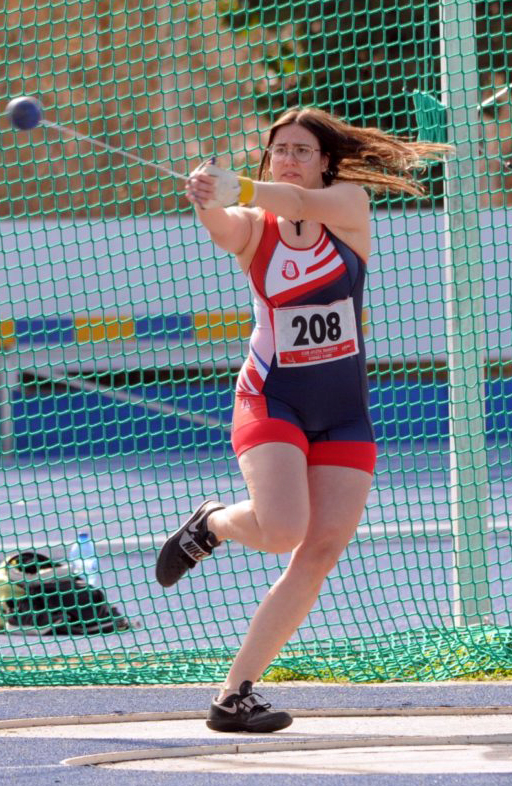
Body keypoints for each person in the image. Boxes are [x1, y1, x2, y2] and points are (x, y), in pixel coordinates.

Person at [155, 106, 449, 733]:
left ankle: (233, 697)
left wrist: (243, 184)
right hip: (271, 399)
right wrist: (207, 198)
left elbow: (292, 199)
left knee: (319, 551)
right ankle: (213, 522)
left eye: (301, 150)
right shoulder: (253, 227)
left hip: (344, 413)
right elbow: (223, 224)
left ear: (325, 162)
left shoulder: (348, 207)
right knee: (282, 529)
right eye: (279, 149)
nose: (288, 158)